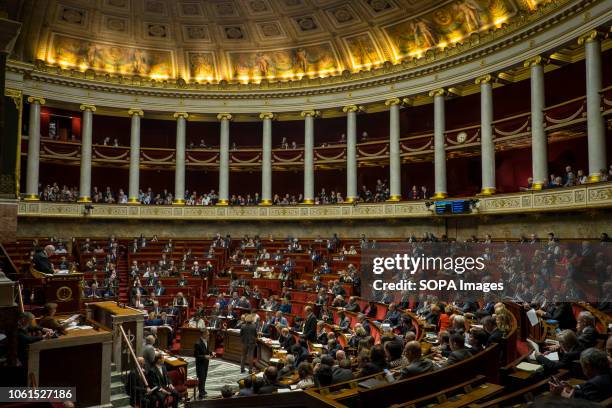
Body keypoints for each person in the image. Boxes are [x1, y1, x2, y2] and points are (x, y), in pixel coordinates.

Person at [194, 328, 214, 399]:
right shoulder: (197, 343)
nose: (209, 335)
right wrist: (204, 356)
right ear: (203, 334)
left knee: (204, 377)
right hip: (200, 364)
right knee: (201, 378)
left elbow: (207, 350)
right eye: (207, 334)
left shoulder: (206, 341)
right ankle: (201, 393)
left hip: (205, 363)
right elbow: (196, 355)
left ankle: (203, 390)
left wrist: (211, 353)